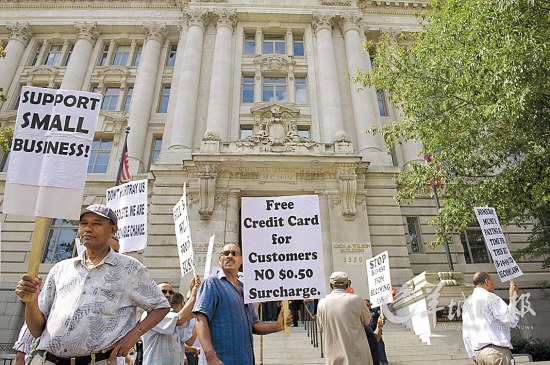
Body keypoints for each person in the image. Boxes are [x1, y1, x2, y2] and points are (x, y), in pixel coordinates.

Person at [15, 204, 171, 365]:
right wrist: (31, 300)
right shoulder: (60, 269)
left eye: (96, 224)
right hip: (46, 360)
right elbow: (36, 329)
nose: (87, 229)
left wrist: (133, 336)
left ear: (112, 230)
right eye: (83, 223)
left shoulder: (130, 268)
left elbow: (160, 306)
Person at [192, 243, 292, 365]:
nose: (230, 256)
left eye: (234, 253)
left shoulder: (245, 289)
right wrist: (210, 356)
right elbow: (200, 319)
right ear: (220, 260)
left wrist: (278, 325)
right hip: (219, 360)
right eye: (226, 253)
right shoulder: (212, 283)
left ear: (242, 260)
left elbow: (254, 324)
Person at [462, 272, 520, 365]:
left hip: (479, 355)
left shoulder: (468, 303)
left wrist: (473, 356)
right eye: (492, 280)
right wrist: (513, 297)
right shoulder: (490, 297)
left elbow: (466, 334)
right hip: (496, 352)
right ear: (487, 282)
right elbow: (510, 320)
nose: (494, 283)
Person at [317, 272, 373, 365]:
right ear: (348, 284)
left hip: (333, 357)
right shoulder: (355, 299)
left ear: (330, 285)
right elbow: (368, 320)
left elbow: (321, 327)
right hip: (356, 356)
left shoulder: (322, 303)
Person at [142, 279, 199, 365]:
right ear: (155, 293)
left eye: (171, 292)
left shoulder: (171, 315)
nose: (168, 294)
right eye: (163, 291)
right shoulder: (151, 313)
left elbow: (189, 340)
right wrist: (193, 295)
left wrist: (192, 291)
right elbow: (179, 319)